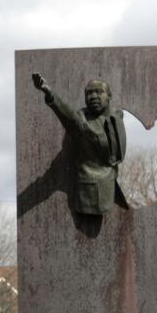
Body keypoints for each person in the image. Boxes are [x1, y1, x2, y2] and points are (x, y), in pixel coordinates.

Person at [31, 73, 124, 215]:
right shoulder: (81, 119)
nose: (93, 96)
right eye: (89, 93)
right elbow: (69, 115)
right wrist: (50, 94)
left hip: (111, 184)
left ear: (109, 96)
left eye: (98, 92)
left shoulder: (116, 117)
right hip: (92, 193)